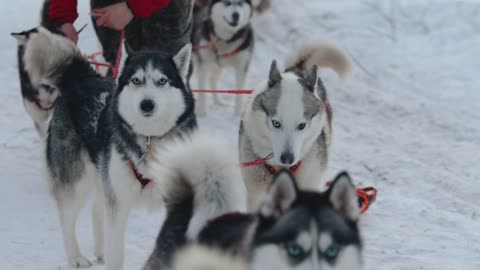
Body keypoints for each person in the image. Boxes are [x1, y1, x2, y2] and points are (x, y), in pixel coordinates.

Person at [48, 0, 172, 44]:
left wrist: (134, 7)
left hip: (164, 7)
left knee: (167, 69)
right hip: (109, 6)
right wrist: (63, 19)